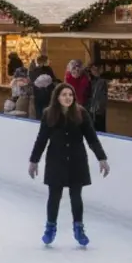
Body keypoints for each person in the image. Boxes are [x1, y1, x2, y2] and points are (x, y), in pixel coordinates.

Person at [29, 82, 110, 247]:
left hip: (76, 160)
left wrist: (102, 158)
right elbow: (42, 139)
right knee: (54, 195)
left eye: (70, 95)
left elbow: (91, 138)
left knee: (76, 196)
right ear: (57, 97)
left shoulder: (81, 113)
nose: (68, 98)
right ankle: (50, 227)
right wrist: (34, 161)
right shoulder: (49, 114)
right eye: (64, 95)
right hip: (56, 160)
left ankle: (79, 228)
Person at [86, 62, 108, 134]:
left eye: (97, 69)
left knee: (100, 128)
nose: (95, 71)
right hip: (92, 109)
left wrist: (99, 108)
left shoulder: (103, 81)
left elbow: (102, 97)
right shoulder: (91, 80)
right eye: (93, 69)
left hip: (99, 110)